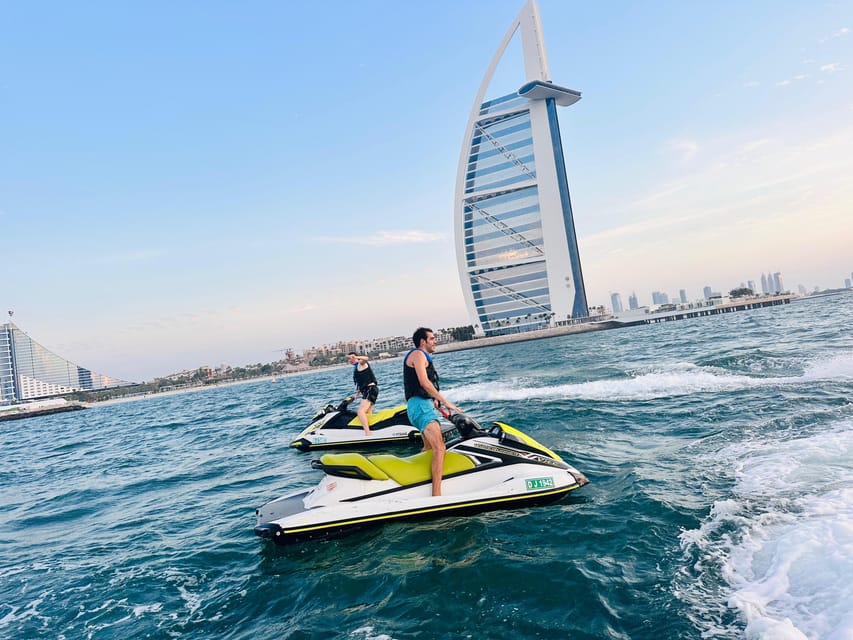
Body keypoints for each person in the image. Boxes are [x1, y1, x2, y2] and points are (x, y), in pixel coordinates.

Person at [403, 327, 461, 496]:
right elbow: (424, 382)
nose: (435, 341)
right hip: (420, 407)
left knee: (428, 449)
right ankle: (436, 496)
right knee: (439, 448)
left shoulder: (422, 356)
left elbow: (426, 385)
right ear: (423, 341)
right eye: (432, 338)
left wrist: (435, 401)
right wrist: (446, 402)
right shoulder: (418, 354)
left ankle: (414, 481)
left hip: (421, 405)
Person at [346, 352, 378, 436]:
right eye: (349, 359)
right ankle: (372, 430)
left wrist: (356, 357)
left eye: (352, 358)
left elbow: (366, 358)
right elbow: (362, 382)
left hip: (370, 389)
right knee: (367, 413)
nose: (350, 360)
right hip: (369, 390)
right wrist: (357, 394)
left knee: (360, 412)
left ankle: (367, 433)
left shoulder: (361, 364)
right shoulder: (357, 368)